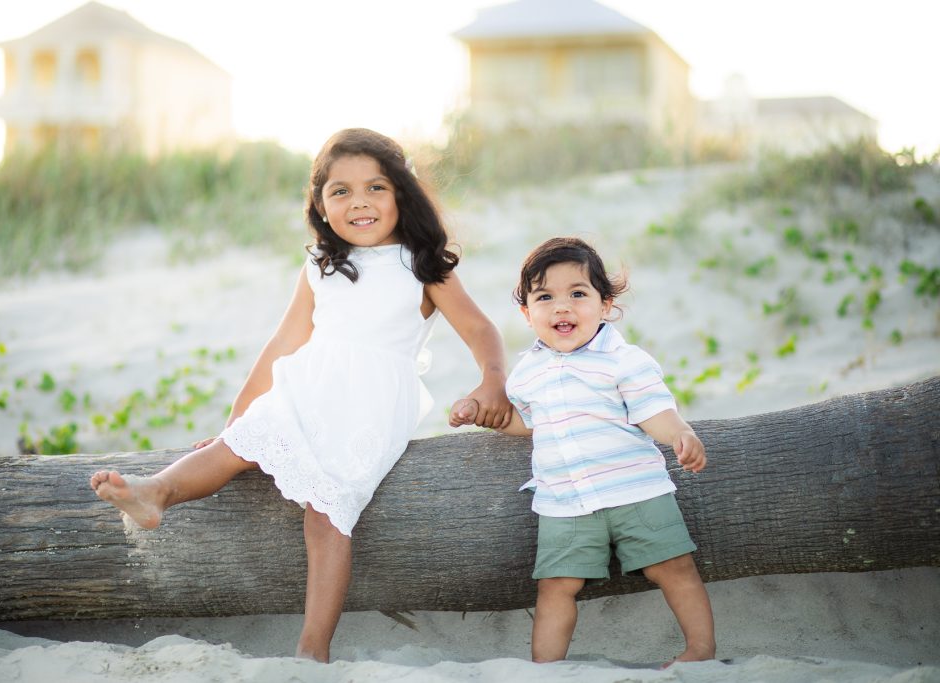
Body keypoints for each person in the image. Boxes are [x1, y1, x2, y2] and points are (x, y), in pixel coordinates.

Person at [91, 128, 513, 662]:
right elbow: (283, 344)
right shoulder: (321, 263)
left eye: (375, 188)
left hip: (373, 401)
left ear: (402, 195)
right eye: (340, 191)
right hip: (308, 383)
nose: (359, 202)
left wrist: (492, 380)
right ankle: (155, 494)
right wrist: (234, 420)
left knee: (327, 512)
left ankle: (313, 648)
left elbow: (480, 330)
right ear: (320, 204)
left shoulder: (421, 265)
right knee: (237, 447)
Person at [450, 236, 715, 666]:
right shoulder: (527, 373)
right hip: (564, 502)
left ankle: (700, 649)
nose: (562, 307)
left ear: (605, 305)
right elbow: (528, 422)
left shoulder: (624, 361)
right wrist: (484, 414)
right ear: (527, 313)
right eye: (545, 297)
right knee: (556, 585)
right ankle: (545, 668)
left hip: (637, 492)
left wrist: (680, 433)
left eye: (578, 294)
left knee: (673, 567)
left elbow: (653, 411)